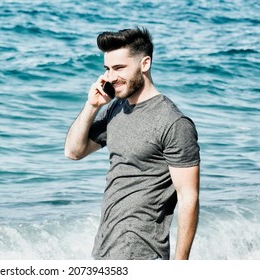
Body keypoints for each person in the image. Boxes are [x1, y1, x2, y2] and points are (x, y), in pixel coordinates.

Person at [64, 27, 200, 260]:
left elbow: (189, 197)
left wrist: (181, 265)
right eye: (107, 69)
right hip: (106, 248)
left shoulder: (174, 122)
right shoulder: (116, 108)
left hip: (144, 254)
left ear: (144, 64)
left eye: (119, 68)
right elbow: (73, 152)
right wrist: (92, 105)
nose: (110, 77)